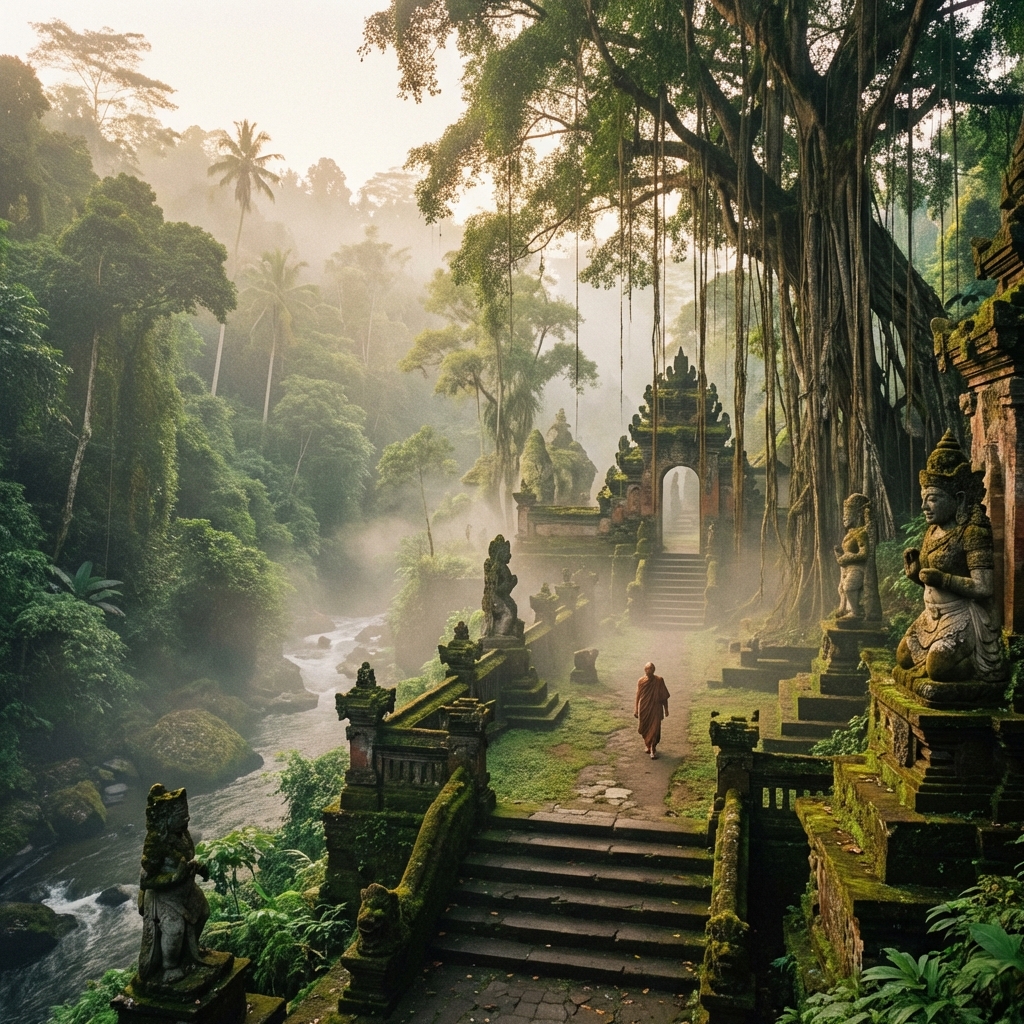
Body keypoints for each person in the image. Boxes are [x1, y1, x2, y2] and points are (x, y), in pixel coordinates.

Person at [634, 662, 670, 759]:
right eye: (647, 669)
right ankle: (648, 744)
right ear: (644, 670)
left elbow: (664, 696)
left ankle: (653, 748)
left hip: (656, 708)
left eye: (651, 669)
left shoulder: (659, 680)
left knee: (655, 729)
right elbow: (638, 695)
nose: (649, 671)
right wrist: (636, 709)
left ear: (654, 670)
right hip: (644, 708)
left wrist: (666, 709)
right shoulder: (641, 681)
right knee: (644, 727)